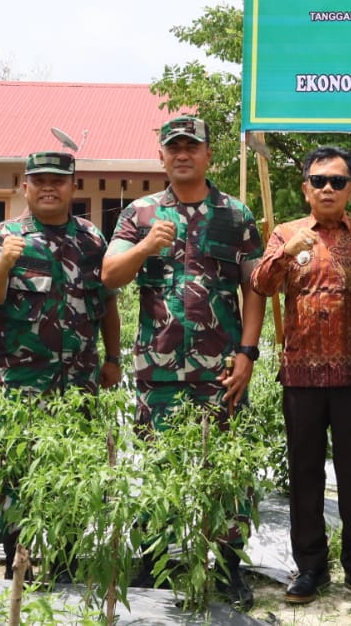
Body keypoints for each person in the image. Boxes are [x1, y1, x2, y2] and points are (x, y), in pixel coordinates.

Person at [101, 115, 264, 610]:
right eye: (174, 147)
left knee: (228, 467)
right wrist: (147, 246)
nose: (183, 154)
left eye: (192, 146)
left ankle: (229, 565)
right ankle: (156, 562)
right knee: (156, 466)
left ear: (208, 155)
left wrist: (248, 352)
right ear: (162, 157)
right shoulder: (139, 213)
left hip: (222, 368)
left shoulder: (235, 215)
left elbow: (254, 287)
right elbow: (110, 275)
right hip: (159, 370)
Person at [250, 146, 351, 607]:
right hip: (302, 375)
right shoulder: (286, 234)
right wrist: (284, 254)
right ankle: (310, 566)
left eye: (337, 181)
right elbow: (260, 285)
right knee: (305, 473)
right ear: (305, 188)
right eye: (318, 181)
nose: (327, 188)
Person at [0, 151, 122, 580]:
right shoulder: (5, 235)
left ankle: (66, 561)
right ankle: (16, 561)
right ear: (25, 187)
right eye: (39, 181)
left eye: (58, 181)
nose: (48, 188)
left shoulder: (91, 239)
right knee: (16, 471)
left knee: (73, 469)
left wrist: (113, 358)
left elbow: (107, 304)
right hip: (18, 384)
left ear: (73, 187)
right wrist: (5, 263)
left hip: (78, 382)